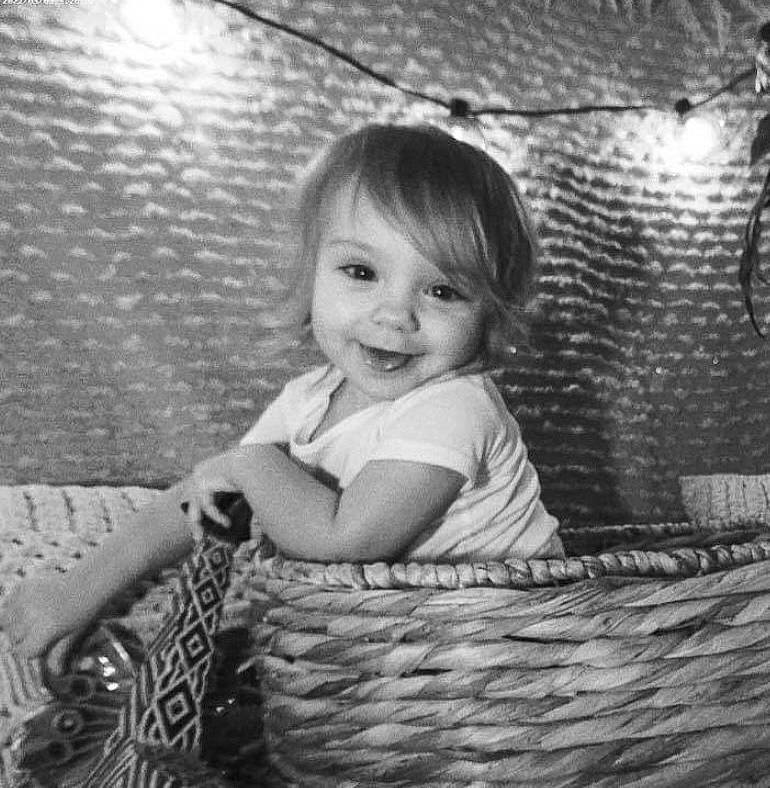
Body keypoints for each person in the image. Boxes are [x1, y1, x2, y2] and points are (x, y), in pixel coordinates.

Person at [1, 123, 562, 672]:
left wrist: (248, 464)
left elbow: (342, 541)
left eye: (443, 290)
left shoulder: (455, 406)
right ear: (310, 272)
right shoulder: (308, 397)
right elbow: (205, 498)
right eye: (361, 271)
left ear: (491, 314)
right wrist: (79, 591)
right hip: (406, 648)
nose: (396, 315)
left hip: (512, 651)